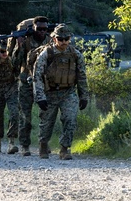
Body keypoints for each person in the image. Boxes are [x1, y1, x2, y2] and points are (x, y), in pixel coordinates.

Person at [32, 24, 89, 160]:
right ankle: (43, 145)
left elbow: (81, 76)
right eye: (60, 39)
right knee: (46, 123)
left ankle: (64, 149)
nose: (63, 42)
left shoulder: (76, 54)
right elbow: (37, 76)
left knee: (70, 119)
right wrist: (40, 97)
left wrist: (84, 96)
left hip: (68, 92)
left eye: (66, 38)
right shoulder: (46, 54)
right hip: (50, 93)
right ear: (54, 38)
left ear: (70, 39)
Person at [13, 16, 52, 152]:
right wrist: (19, 46)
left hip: (43, 82)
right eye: (39, 29)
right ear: (33, 28)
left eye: (45, 29)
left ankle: (44, 143)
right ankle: (25, 145)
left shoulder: (50, 41)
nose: (42, 31)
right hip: (26, 82)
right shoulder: (27, 42)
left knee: (46, 114)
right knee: (25, 115)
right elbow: (15, 64)